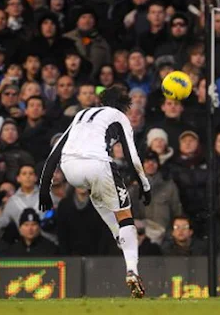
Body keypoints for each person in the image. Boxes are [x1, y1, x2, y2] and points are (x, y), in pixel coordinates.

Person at [39, 86, 151, 298]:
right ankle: (132, 270)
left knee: (100, 198)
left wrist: (44, 188)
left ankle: (120, 237)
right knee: (125, 215)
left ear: (102, 101)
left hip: (70, 168)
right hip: (97, 165)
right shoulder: (119, 116)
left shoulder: (82, 114)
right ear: (124, 106)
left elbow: (56, 150)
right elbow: (131, 155)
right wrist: (144, 185)